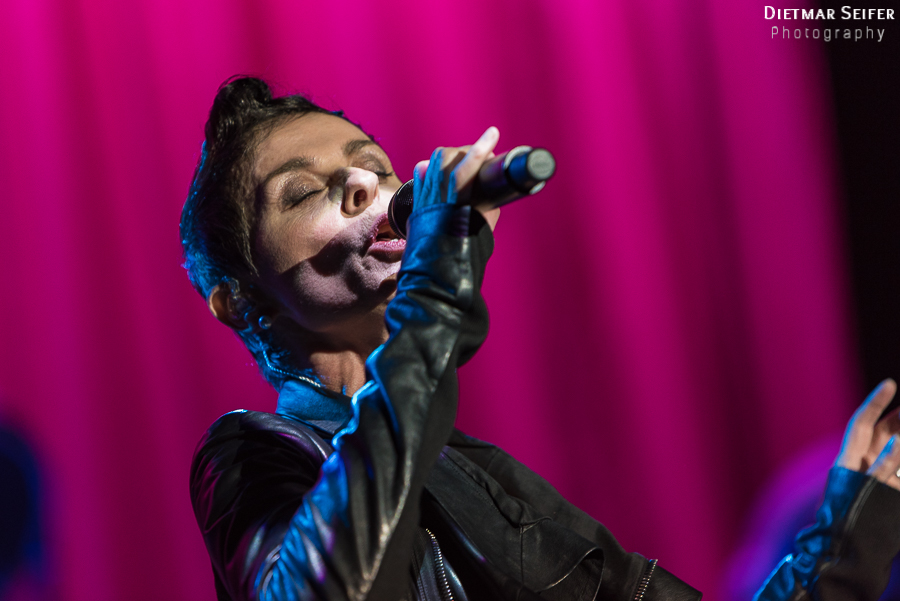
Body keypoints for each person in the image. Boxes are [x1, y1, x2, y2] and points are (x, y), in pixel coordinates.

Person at [182, 76, 900, 601]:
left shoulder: (466, 470)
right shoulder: (253, 457)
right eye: (303, 191)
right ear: (240, 299)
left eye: (372, 163)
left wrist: (842, 547)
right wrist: (439, 284)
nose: (362, 183)